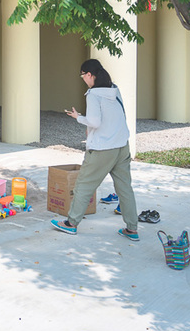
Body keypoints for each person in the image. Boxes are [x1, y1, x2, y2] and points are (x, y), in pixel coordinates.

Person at [52, 59, 139, 242]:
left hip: (102, 149)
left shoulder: (93, 94)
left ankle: (71, 223)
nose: (83, 79)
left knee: (84, 185)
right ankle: (132, 229)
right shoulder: (114, 89)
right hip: (122, 146)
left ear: (90, 74)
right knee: (124, 188)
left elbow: (95, 122)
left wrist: (78, 117)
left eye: (83, 75)